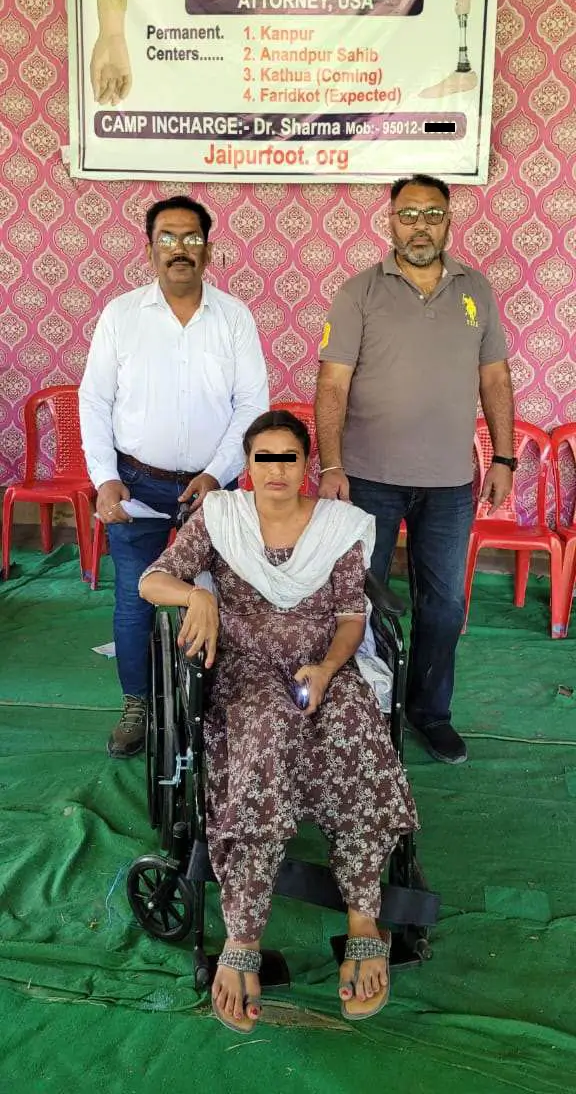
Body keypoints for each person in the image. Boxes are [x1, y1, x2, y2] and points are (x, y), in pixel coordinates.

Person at [139, 410, 418, 1032]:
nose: (275, 470)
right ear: (248, 465)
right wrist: (199, 594)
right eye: (262, 458)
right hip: (245, 673)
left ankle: (363, 917)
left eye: (287, 458)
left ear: (304, 464)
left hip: (321, 666)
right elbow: (152, 582)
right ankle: (243, 932)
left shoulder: (338, 528)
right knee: (264, 742)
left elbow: (352, 615)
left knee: (357, 736)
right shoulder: (222, 519)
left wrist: (325, 670)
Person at [315, 173, 515, 766]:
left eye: (432, 214)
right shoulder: (358, 293)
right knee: (360, 598)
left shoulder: (476, 290)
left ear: (449, 220)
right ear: (390, 221)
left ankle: (430, 712)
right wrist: (331, 464)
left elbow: (496, 379)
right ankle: (368, 710)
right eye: (409, 214)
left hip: (451, 482)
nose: (420, 225)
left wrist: (503, 458)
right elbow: (332, 384)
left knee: (445, 604)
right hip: (369, 479)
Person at [79, 194, 269, 759]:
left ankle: (219, 705)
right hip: (137, 482)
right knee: (136, 596)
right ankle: (139, 702)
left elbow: (250, 407)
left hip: (214, 488)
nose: (179, 250)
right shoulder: (121, 315)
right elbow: (95, 401)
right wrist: (104, 477)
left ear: (209, 250)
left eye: (191, 238)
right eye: (168, 238)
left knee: (219, 595)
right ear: (150, 248)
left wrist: (217, 474)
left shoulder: (235, 318)